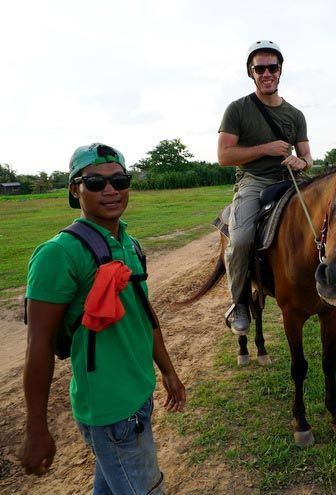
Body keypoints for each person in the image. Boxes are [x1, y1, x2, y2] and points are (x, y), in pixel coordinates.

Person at [21, 143, 186, 494]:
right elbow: (38, 346)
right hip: (111, 412)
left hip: (140, 393)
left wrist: (168, 372)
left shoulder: (130, 242)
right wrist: (36, 428)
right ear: (74, 188)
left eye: (120, 180)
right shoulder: (58, 255)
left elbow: (144, 314)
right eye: (95, 182)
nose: (110, 190)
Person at [218, 39, 313, 335]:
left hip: (291, 181)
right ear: (251, 72)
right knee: (242, 239)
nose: (266, 73)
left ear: (281, 70)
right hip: (253, 182)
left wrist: (303, 163)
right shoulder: (238, 109)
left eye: (272, 67)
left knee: (326, 218)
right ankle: (241, 302)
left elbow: (308, 155)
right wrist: (266, 148)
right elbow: (224, 156)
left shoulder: (295, 115)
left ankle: (325, 280)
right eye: (260, 68)